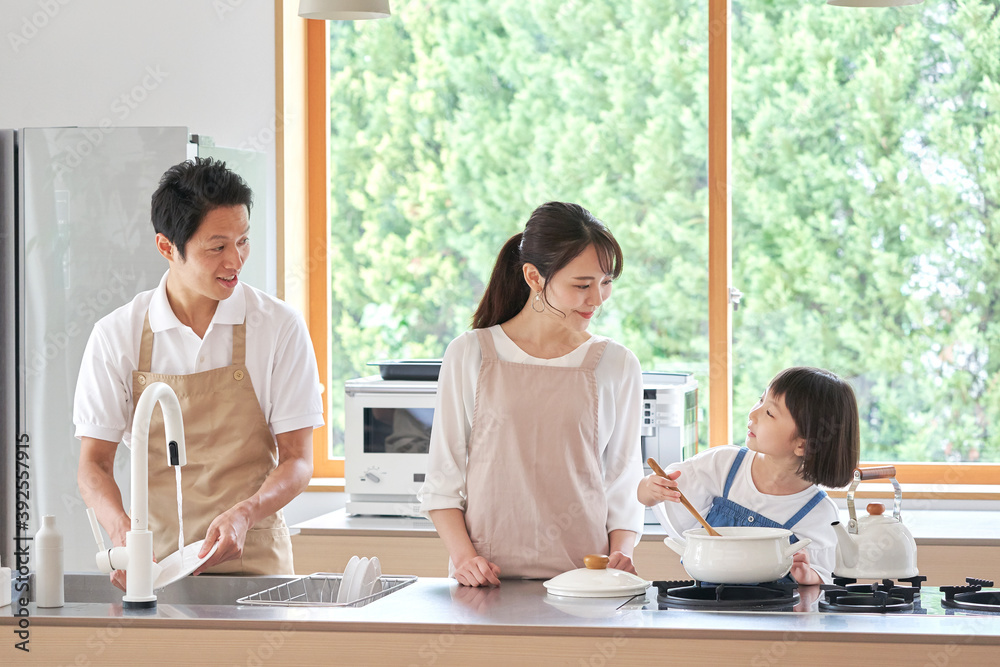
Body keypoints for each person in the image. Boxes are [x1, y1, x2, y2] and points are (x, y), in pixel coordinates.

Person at [74, 157, 323, 586]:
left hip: (257, 563)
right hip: (160, 567)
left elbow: (298, 460)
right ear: (167, 247)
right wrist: (124, 537)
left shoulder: (279, 327)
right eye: (217, 247)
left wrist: (246, 512)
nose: (236, 261)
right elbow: (94, 465)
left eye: (243, 241)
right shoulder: (117, 335)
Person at [418, 201, 645, 587]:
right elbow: (443, 476)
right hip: (484, 581)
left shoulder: (617, 364)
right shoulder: (470, 352)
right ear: (534, 277)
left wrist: (619, 556)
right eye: (582, 284)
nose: (598, 298)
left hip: (585, 583)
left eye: (605, 282)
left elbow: (623, 481)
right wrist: (464, 558)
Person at [637, 366, 860, 585]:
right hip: (708, 611)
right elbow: (650, 496)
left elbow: (824, 577)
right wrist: (650, 488)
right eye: (760, 400)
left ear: (804, 444)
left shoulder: (818, 513)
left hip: (776, 618)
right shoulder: (724, 465)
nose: (753, 413)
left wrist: (809, 575)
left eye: (769, 413)